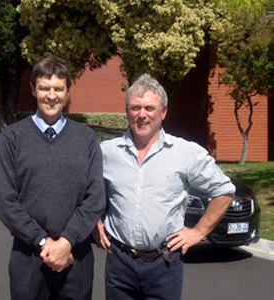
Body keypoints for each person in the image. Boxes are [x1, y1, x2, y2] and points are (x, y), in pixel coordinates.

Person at [92, 73, 236, 300]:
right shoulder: (107, 152)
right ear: (127, 110)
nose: (142, 115)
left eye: (149, 108)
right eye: (135, 107)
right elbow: (85, 189)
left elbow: (224, 190)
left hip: (164, 264)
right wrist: (95, 222)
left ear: (163, 112)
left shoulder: (185, 153)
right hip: (119, 262)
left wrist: (198, 232)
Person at [0, 56, 105, 300]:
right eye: (44, 88)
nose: (51, 96)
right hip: (29, 255)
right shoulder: (13, 138)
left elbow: (96, 197)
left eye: (58, 89)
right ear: (34, 89)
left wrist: (66, 242)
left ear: (67, 92)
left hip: (77, 255)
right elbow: (4, 200)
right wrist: (44, 241)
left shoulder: (86, 139)